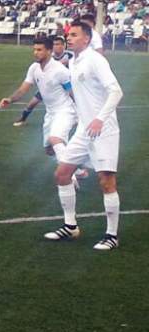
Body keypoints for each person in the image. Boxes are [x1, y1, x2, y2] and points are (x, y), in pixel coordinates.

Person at [43, 21, 123, 250]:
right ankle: (70, 226)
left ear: (87, 39)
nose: (69, 37)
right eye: (68, 34)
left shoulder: (95, 60)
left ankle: (112, 235)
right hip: (83, 130)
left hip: (103, 130)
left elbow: (116, 91)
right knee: (62, 173)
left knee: (106, 182)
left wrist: (100, 118)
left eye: (74, 35)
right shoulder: (74, 61)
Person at [0, 37, 84, 188]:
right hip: (50, 113)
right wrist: (9, 99)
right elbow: (24, 88)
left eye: (39, 50)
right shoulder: (34, 68)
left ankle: (69, 178)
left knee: (55, 139)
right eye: (34, 49)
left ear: (49, 51)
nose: (35, 53)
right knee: (49, 150)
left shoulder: (61, 71)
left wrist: (85, 113)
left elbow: (73, 93)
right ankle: (76, 169)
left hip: (66, 111)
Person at [12, 35, 74, 127]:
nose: (58, 46)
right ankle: (23, 118)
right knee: (32, 103)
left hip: (65, 85)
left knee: (72, 100)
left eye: (60, 44)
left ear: (64, 45)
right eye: (55, 44)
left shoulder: (70, 55)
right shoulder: (48, 57)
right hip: (48, 85)